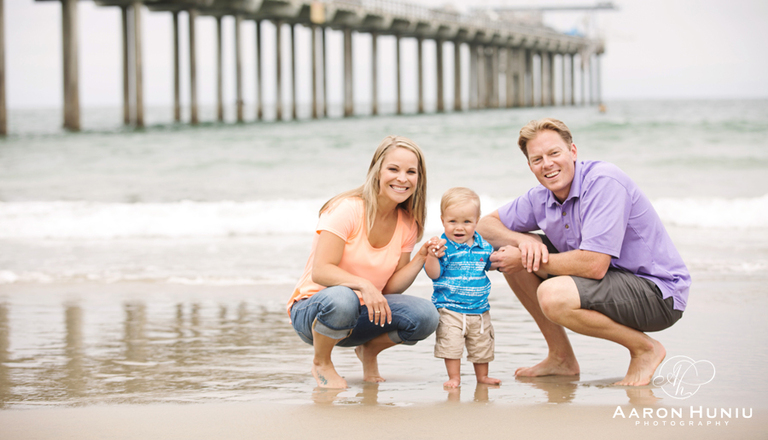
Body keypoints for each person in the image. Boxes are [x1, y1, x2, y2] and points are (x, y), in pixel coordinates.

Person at [477, 118, 691, 386]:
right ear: (530, 166)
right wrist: (523, 240)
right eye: (537, 159)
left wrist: (524, 257)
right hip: (610, 282)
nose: (548, 164)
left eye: (554, 153)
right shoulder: (540, 197)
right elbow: (484, 226)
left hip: (657, 294)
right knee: (508, 250)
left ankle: (644, 349)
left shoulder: (604, 182)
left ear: (573, 152)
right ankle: (561, 358)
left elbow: (593, 266)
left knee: (551, 294)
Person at [287, 135, 441, 389]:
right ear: (377, 171)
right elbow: (321, 271)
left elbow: (391, 289)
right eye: (394, 169)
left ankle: (369, 350)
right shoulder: (347, 209)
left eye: (411, 172)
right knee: (343, 298)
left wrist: (421, 257)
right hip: (314, 312)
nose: (402, 178)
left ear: (419, 178)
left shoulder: (408, 223)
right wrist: (364, 286)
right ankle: (321, 361)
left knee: (426, 315)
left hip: (361, 316)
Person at [424, 187, 501, 388]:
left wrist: (499, 260)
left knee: (481, 344)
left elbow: (487, 264)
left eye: (467, 222)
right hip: (449, 308)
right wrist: (432, 256)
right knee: (451, 345)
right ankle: (454, 377)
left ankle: (482, 377)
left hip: (479, 308)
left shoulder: (483, 245)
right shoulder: (442, 247)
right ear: (442, 220)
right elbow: (433, 274)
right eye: (453, 222)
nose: (460, 228)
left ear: (477, 221)